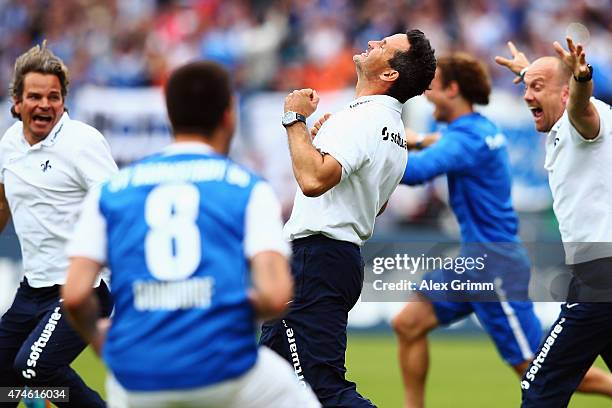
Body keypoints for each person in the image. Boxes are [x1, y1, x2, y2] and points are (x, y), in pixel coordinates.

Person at [61, 60, 321, 408]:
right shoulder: (246, 188)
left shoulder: (111, 190)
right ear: (229, 115)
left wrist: (97, 338)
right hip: (223, 369)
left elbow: (76, 295)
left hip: (137, 376)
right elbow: (276, 296)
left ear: (169, 115)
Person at [391, 52, 612, 408]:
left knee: (537, 376)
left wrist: (372, 150)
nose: (426, 93)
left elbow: (417, 173)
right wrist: (530, 73)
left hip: (496, 265)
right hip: (476, 260)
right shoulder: (478, 130)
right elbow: (451, 145)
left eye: (432, 87)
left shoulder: (577, 118)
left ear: (452, 89)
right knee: (409, 323)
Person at [259, 29, 436, 407]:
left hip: (315, 259)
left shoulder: (363, 117)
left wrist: (295, 119)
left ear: (389, 74)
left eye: (383, 46)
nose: (372, 43)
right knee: (266, 388)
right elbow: (376, 205)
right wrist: (316, 142)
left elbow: (312, 180)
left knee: (322, 389)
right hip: (336, 260)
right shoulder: (395, 135)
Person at [496, 38, 612, 407]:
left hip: (599, 279)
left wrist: (581, 80)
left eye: (537, 88)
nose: (527, 95)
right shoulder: (579, 118)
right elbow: (561, 89)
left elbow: (579, 106)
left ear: (565, 94)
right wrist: (528, 71)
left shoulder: (583, 121)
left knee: (539, 387)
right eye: (527, 87)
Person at [0, 42, 117, 407]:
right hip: (32, 290)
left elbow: (116, 205)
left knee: (33, 369)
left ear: (64, 100)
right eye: (35, 96)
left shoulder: (82, 143)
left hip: (81, 289)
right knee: (6, 377)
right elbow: (3, 201)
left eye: (54, 96)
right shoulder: (8, 144)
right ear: (16, 102)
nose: (45, 104)